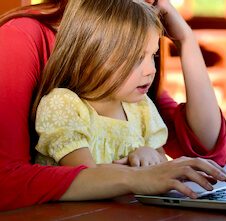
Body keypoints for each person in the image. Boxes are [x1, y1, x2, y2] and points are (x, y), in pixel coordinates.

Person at [0, 0, 226, 211]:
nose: (150, 68)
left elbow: (205, 149)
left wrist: (186, 40)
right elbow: (6, 181)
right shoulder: (21, 37)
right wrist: (134, 177)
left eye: (154, 55)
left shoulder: (131, 85)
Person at [33, 0, 169, 167]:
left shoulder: (142, 107)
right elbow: (86, 178)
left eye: (153, 56)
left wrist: (150, 154)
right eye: (137, 58)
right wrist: (137, 171)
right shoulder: (63, 105)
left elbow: (164, 167)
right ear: (91, 55)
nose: (151, 70)